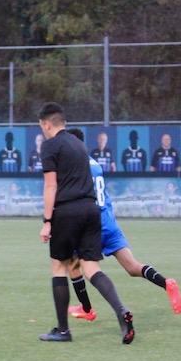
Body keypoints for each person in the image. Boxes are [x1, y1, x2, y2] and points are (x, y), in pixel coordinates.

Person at [61, 129, 181, 321]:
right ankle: (166, 283)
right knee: (133, 267)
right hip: (110, 222)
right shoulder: (94, 163)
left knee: (73, 264)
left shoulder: (74, 166)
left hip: (92, 225)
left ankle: (87, 309)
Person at [37, 102, 134, 344]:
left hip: (67, 211)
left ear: (47, 124)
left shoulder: (50, 146)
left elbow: (51, 185)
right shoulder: (79, 145)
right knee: (91, 268)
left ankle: (63, 331)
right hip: (91, 211)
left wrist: (48, 221)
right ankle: (122, 312)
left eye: (42, 127)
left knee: (59, 267)